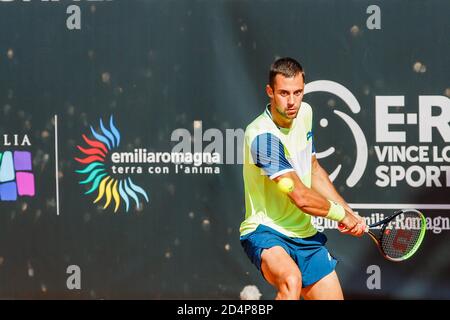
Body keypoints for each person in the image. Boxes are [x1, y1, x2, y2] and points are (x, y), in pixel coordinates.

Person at [240, 57, 366, 300]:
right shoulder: (261, 137)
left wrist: (348, 210)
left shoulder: (305, 113)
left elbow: (313, 168)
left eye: (298, 92)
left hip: (304, 234)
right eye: (284, 93)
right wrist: (341, 216)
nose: (292, 101)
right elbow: (300, 196)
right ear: (270, 92)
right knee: (291, 280)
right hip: (266, 230)